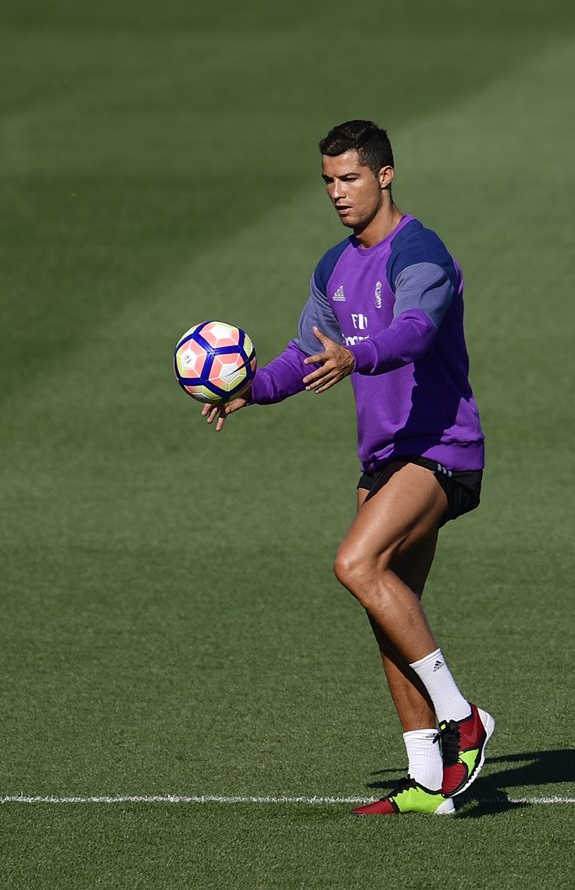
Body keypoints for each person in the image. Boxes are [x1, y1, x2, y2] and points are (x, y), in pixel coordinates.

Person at [202, 121, 493, 815]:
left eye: (350, 178)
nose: (337, 192)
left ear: (385, 176)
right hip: (385, 460)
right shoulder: (334, 265)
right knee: (389, 610)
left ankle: (465, 718)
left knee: (355, 565)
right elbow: (305, 354)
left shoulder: (419, 252)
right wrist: (250, 391)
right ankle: (428, 780)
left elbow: (417, 329)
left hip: (441, 449)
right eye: (329, 181)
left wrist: (357, 357)